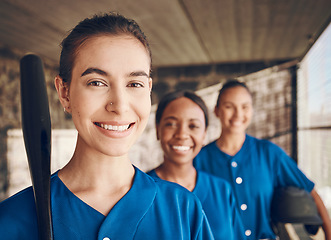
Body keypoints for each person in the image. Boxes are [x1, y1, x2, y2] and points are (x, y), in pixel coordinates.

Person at [0, 13, 215, 240]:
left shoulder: (183, 211)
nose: (120, 106)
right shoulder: (14, 220)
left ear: (149, 90)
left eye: (135, 84)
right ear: (64, 93)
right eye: (97, 82)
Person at [193, 79, 331, 239]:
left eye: (245, 107)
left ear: (251, 110)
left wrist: (328, 233)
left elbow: (310, 189)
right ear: (217, 111)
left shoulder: (269, 153)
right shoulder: (199, 159)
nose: (238, 114)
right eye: (229, 106)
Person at [147, 90, 247, 240]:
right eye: (171, 124)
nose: (181, 134)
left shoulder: (221, 190)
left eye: (193, 126)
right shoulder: (141, 191)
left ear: (205, 133)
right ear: (157, 129)